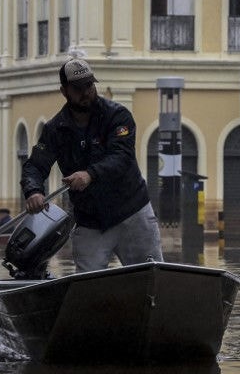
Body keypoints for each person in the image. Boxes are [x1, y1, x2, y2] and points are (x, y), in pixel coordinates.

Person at [21, 57, 163, 272]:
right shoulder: (55, 129)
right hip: (90, 221)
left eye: (89, 85)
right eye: (78, 88)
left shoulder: (118, 116)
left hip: (132, 213)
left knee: (153, 275)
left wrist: (89, 175)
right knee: (86, 285)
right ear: (64, 91)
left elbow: (121, 157)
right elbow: (35, 166)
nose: (86, 92)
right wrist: (33, 191)